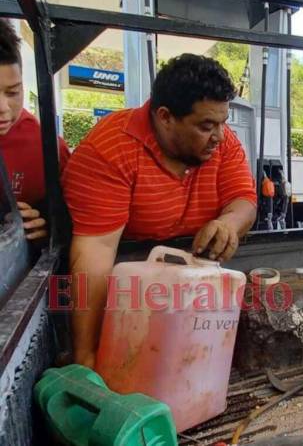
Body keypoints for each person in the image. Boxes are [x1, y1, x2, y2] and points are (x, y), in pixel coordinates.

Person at [62, 54, 257, 367]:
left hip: (197, 295)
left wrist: (229, 224)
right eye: (206, 126)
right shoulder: (109, 150)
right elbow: (94, 254)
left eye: (223, 123)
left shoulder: (224, 141)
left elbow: (244, 200)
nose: (220, 137)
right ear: (165, 117)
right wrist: (86, 354)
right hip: (129, 299)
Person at [0, 18, 70, 240]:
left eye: (13, 93)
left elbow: (71, 226)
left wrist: (46, 229)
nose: (3, 109)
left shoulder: (48, 149)